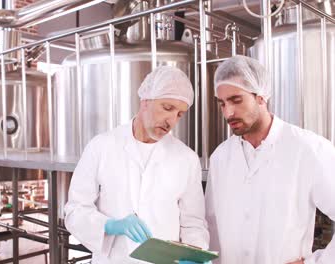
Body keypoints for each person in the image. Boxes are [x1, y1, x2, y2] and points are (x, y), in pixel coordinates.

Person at [64, 66, 210, 263]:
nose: (171, 120)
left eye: (179, 114)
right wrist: (109, 225)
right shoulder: (102, 146)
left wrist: (195, 254)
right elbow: (75, 211)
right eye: (167, 108)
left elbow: (193, 223)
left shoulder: (186, 158)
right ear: (145, 101)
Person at [205, 55, 335, 264]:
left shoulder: (308, 149)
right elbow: (211, 227)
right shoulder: (220, 158)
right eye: (222, 104)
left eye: (236, 100)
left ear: (261, 96)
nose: (228, 113)